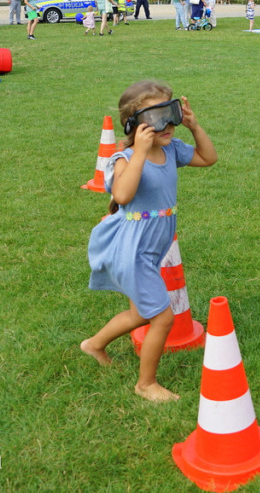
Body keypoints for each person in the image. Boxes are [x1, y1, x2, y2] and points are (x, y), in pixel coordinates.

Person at [82, 80, 217, 402]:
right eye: (157, 118)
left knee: (141, 313)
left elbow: (208, 158)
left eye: (171, 113)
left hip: (152, 247)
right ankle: (146, 384)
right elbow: (123, 194)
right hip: (134, 250)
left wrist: (195, 127)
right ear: (135, 125)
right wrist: (140, 152)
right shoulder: (125, 158)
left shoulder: (171, 149)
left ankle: (93, 345)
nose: (168, 124)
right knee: (162, 316)